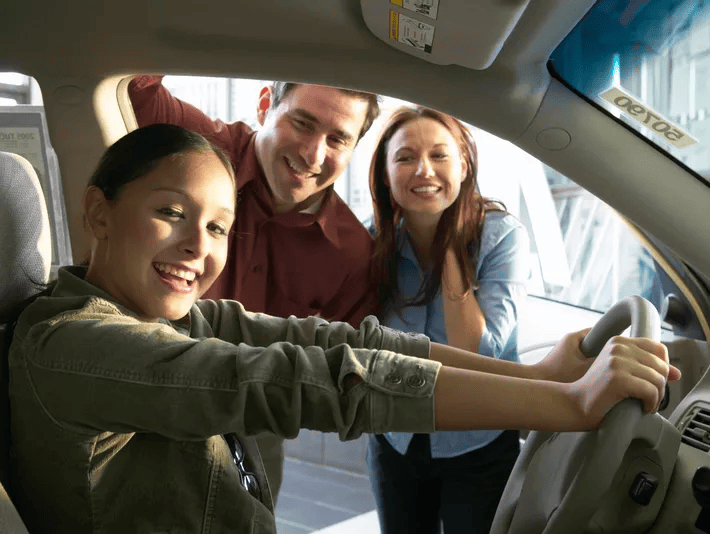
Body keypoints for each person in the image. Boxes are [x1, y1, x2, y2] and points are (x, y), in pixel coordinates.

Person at [6, 124, 677, 534]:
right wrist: (565, 406)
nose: (196, 248)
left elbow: (338, 347)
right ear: (98, 212)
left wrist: (536, 377)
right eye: (170, 213)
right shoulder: (67, 345)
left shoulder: (170, 316)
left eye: (215, 228)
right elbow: (303, 382)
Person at [128, 75, 381, 499]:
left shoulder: (352, 254)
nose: (313, 153)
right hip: (139, 402)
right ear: (265, 104)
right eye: (302, 124)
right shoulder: (193, 145)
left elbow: (350, 371)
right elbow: (132, 83)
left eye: (338, 139)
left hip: (252, 429)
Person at [366, 106, 531, 533]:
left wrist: (449, 242)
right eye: (405, 157)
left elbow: (475, 352)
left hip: (478, 440)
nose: (424, 170)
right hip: (395, 438)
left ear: (464, 165)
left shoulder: (502, 236)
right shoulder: (374, 241)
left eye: (439, 155)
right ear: (386, 175)